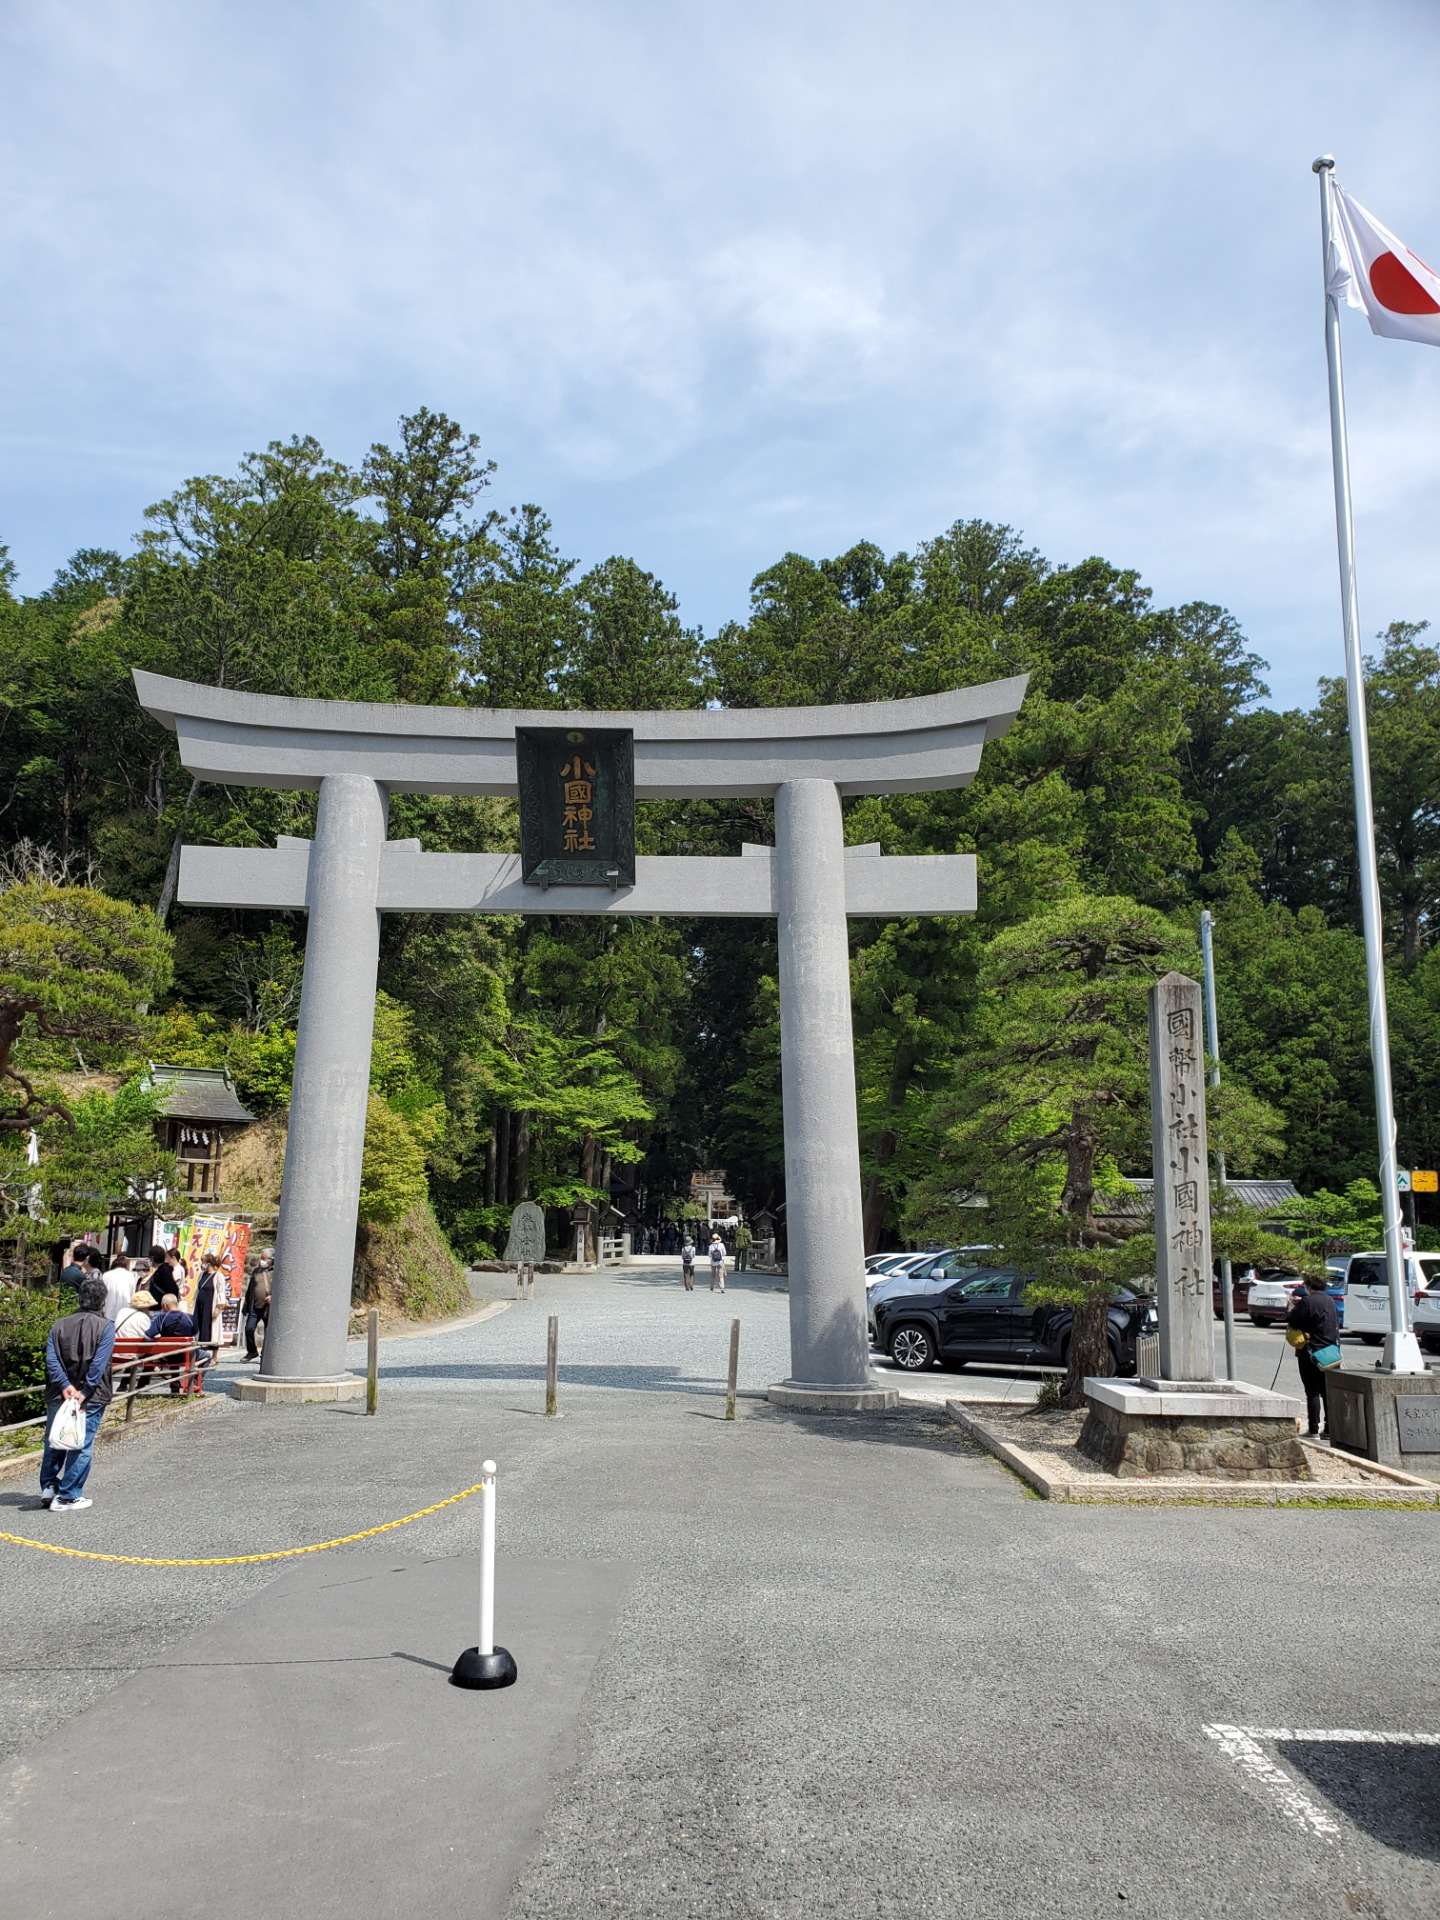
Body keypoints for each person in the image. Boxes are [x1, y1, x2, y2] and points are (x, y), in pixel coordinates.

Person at [40, 1274, 116, 1512]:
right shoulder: (105, 1327)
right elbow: (99, 1364)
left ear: (79, 1298)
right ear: (102, 1301)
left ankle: (49, 1486)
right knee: (81, 1444)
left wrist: (65, 1385)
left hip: (58, 1393)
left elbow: (52, 1360)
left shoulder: (59, 1325)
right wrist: (83, 1391)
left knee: (55, 1438)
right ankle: (69, 1495)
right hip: (91, 1396)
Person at [1286, 1272, 1340, 1438]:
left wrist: (1290, 1306)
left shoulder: (1307, 1301)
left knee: (1312, 1392)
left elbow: (1292, 1320)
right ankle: (1330, 1429)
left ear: (1308, 1287)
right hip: (1331, 1353)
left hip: (1311, 1352)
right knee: (1326, 1392)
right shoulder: (1330, 1301)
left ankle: (1314, 1429)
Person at [242, 1254, 272, 1360]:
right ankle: (252, 1351)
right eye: (262, 1258)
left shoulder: (275, 1272)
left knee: (269, 1332)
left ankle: (265, 1354)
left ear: (271, 1260)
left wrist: (273, 1296)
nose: (262, 1261)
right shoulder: (256, 1271)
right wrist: (246, 1304)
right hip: (254, 1307)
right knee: (249, 1329)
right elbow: (250, 1289)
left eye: (265, 1259)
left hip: (269, 1308)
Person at [192, 1250, 221, 1346]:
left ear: (209, 1263)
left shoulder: (218, 1276)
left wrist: (218, 1308)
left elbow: (221, 1293)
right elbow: (198, 1289)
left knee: (211, 1330)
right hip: (199, 1305)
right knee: (198, 1325)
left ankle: (214, 1356)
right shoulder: (201, 1274)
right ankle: (200, 1350)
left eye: (203, 1262)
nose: (202, 1264)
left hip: (210, 1306)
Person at [100, 1253, 132, 1322]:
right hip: (125, 1314)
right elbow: (132, 1294)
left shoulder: (106, 1275)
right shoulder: (131, 1276)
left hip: (108, 1312)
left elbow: (101, 1295)